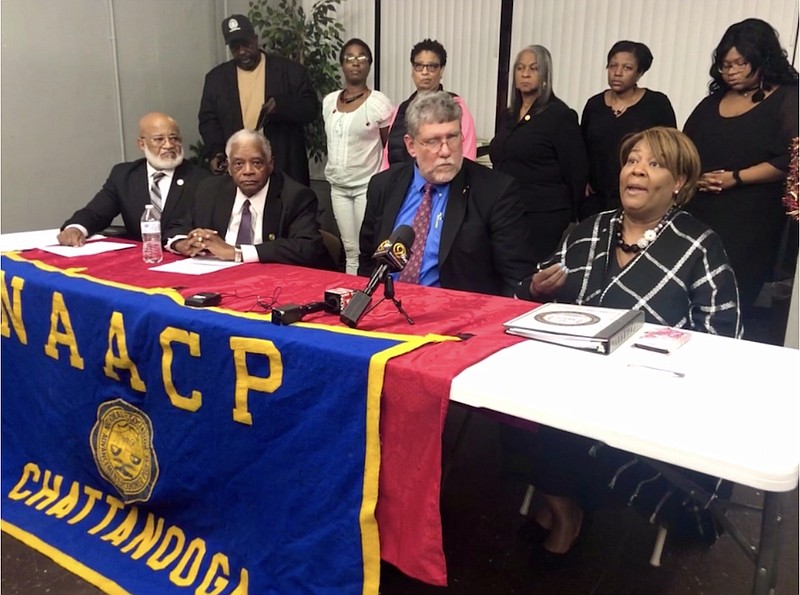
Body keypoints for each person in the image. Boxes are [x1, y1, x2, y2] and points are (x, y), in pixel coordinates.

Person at [512, 127, 742, 555]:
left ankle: (565, 512)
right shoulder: (587, 230)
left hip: (649, 390)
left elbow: (724, 340)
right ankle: (562, 502)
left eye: (655, 164)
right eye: (632, 160)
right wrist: (535, 290)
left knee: (564, 424)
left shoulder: (700, 246)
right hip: (565, 378)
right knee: (515, 407)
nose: (637, 170)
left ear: (678, 183)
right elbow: (525, 294)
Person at [683, 18, 799, 328]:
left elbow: (791, 159)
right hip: (700, 209)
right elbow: (684, 149)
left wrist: (735, 178)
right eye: (725, 65)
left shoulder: (789, 98)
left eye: (741, 63)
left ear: (763, 58)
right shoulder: (711, 103)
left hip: (751, 219)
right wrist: (693, 178)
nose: (731, 71)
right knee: (690, 289)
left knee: (731, 296)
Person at [359, 91, 535, 297]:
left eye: (452, 138)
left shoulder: (495, 191)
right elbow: (367, 261)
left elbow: (516, 278)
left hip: (458, 317)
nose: (445, 151)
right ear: (410, 146)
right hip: (387, 308)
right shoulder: (384, 185)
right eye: (433, 142)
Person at [165, 129, 331, 269]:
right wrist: (183, 244)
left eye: (257, 163)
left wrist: (236, 252)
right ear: (229, 167)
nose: (248, 171)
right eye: (238, 164)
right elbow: (176, 227)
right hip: (218, 277)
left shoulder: (295, 196)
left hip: (272, 280)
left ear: (270, 164)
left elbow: (307, 247)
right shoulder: (210, 190)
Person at [489, 45, 588, 264]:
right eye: (520, 68)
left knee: (529, 273)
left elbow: (576, 170)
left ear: (545, 75)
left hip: (544, 212)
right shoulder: (509, 114)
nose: (525, 74)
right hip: (509, 208)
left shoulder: (559, 115)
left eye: (533, 69)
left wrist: (572, 215)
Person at [198, 14, 318, 185]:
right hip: (240, 169)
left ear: (255, 39)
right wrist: (216, 151)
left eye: (246, 44)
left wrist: (282, 106)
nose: (241, 51)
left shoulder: (290, 71)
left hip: (283, 166)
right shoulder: (216, 79)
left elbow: (310, 109)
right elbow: (208, 120)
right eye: (235, 47)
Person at [58, 112, 207, 246]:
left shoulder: (201, 179)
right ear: (142, 144)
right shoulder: (124, 175)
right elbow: (96, 213)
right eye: (159, 139)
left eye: (174, 138)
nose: (168, 145)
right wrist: (76, 228)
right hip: (138, 259)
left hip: (183, 259)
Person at [323, 38, 393, 274]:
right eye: (349, 58)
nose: (355, 63)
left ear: (369, 65)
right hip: (338, 187)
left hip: (366, 187)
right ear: (342, 64)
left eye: (362, 57)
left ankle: (370, 293)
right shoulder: (329, 101)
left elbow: (388, 146)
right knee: (350, 248)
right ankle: (351, 296)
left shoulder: (379, 103)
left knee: (369, 248)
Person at [581, 40, 676, 213]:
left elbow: (670, 151)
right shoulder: (594, 104)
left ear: (639, 73)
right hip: (595, 198)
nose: (617, 73)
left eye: (627, 68)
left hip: (639, 193)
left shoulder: (656, 104)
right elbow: (582, 147)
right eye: (612, 66)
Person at [380, 39, 477, 170]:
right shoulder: (401, 109)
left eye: (431, 67)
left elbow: (467, 156)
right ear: (412, 70)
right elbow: (387, 157)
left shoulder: (454, 106)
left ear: (441, 70)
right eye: (419, 66)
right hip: (398, 184)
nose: (424, 72)